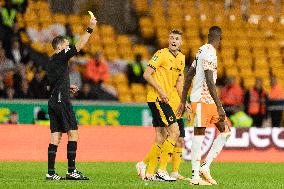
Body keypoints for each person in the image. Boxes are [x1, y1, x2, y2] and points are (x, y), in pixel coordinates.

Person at [177, 26, 231, 185]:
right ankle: (194, 177)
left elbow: (189, 75)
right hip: (201, 99)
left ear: (208, 36)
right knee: (199, 134)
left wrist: (182, 100)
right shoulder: (209, 52)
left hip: (208, 101)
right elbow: (209, 80)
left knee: (226, 131)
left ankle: (205, 167)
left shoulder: (201, 51)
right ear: (220, 39)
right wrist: (219, 105)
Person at [45, 16, 97, 180]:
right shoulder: (61, 55)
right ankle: (71, 171)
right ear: (60, 46)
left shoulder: (51, 61)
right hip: (61, 100)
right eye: (66, 44)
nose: (68, 47)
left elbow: (50, 84)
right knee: (73, 134)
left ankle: (51, 172)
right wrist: (90, 28)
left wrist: (67, 87)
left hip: (53, 100)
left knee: (56, 136)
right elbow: (80, 45)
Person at [136, 29, 185, 181]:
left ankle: (148, 170)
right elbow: (146, 74)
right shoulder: (161, 54)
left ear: (181, 42)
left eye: (176, 38)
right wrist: (161, 91)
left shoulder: (181, 58)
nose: (173, 40)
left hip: (166, 99)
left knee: (161, 136)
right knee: (175, 133)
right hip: (157, 98)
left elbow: (178, 81)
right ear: (168, 40)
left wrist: (184, 100)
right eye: (171, 38)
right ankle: (162, 170)